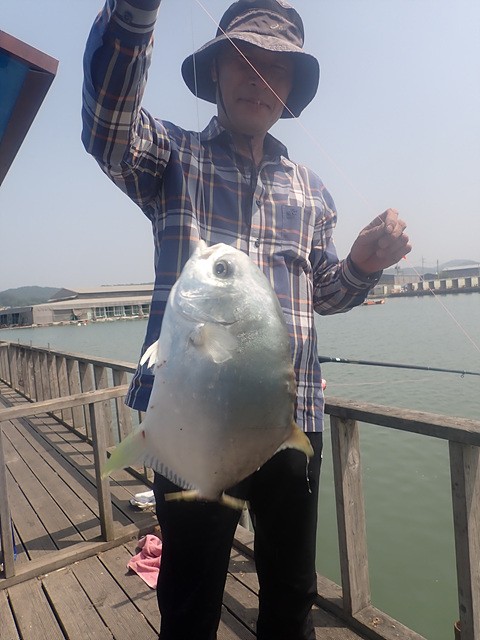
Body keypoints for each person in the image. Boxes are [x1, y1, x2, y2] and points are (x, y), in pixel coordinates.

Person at [82, 1, 411, 638]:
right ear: (215, 71)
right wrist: (134, 11)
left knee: (292, 596)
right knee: (189, 598)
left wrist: (362, 265)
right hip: (191, 420)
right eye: (245, 60)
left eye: (277, 68)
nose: (260, 79)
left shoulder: (312, 191)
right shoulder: (173, 156)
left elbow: (323, 295)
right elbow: (108, 127)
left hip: (292, 422)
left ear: (290, 89)